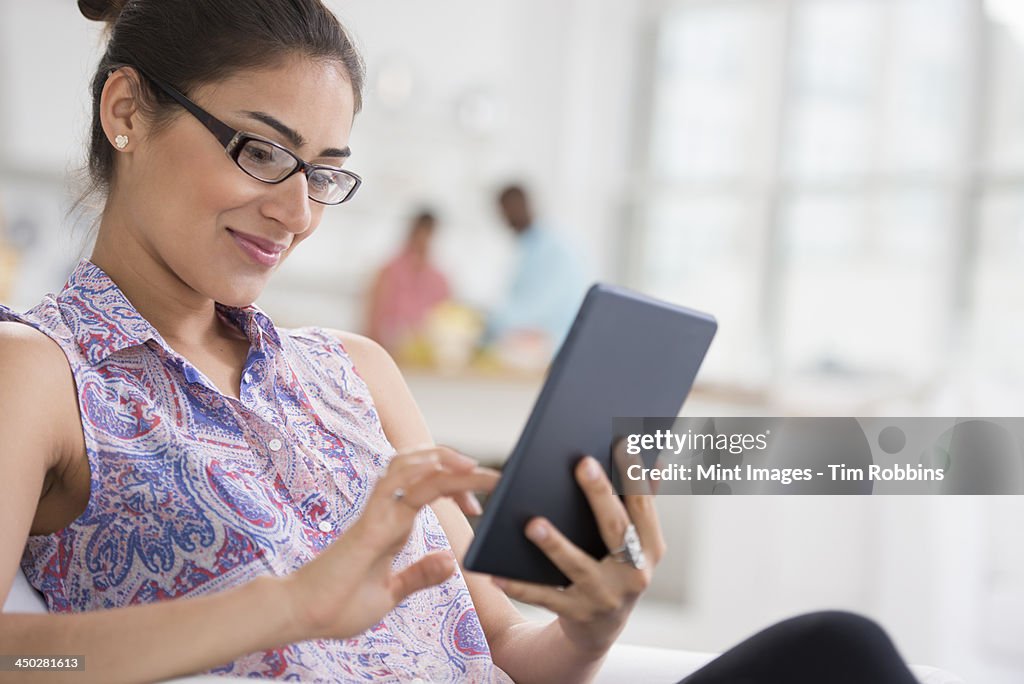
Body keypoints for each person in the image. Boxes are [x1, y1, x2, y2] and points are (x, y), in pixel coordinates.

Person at [0, 2, 922, 683]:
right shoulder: (39, 373)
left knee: (841, 651)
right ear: (125, 111)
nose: (297, 213)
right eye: (260, 151)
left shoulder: (354, 372)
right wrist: (285, 606)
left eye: (324, 174)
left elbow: (515, 650)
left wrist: (591, 626)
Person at [488, 184, 586, 353]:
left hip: (552, 347)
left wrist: (491, 321)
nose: (504, 219)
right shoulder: (530, 248)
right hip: (536, 344)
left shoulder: (552, 249)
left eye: (505, 211)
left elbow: (537, 308)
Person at [366, 210, 451, 355]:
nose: (423, 239)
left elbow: (444, 320)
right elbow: (373, 318)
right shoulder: (389, 271)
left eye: (428, 234)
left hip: (423, 356)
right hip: (387, 351)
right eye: (420, 233)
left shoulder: (439, 279)